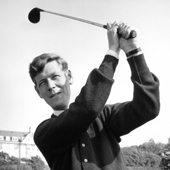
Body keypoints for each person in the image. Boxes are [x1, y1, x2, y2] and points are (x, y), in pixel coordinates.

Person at [29, 22, 160, 170]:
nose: (51, 86)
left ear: (69, 77)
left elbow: (148, 107)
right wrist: (112, 53)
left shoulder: (105, 117)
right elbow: (87, 109)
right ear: (38, 91)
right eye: (42, 83)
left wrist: (133, 51)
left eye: (55, 77)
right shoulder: (43, 133)